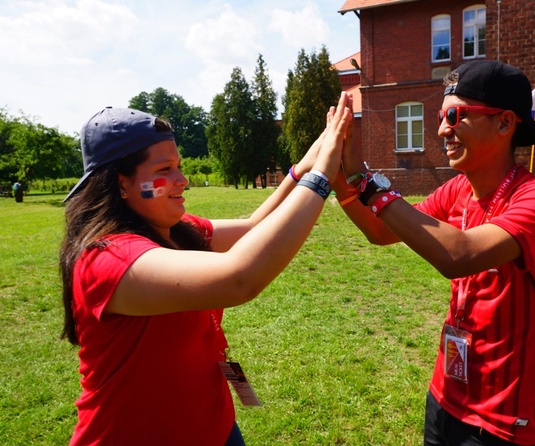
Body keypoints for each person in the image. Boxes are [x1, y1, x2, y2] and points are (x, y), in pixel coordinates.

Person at [59, 94, 351, 445]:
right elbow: (239, 278)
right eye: (164, 171)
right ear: (121, 183)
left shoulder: (175, 229)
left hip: (215, 427)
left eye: (178, 166)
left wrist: (303, 167)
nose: (183, 179)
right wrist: (321, 177)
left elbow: (255, 225)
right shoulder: (107, 258)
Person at [335, 60, 535, 445]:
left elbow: (458, 255)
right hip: (445, 397)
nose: (442, 128)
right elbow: (380, 230)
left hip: (506, 420)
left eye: (454, 115)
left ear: (504, 123)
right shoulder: (457, 189)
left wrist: (367, 185)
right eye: (441, 116)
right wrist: (339, 174)